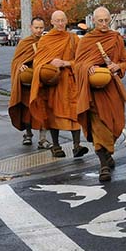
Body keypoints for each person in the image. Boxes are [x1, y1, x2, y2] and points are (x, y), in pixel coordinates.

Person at [75, 7, 126, 182]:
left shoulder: (116, 38)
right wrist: (87, 68)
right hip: (94, 91)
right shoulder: (87, 40)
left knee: (114, 124)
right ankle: (103, 164)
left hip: (112, 87)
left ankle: (107, 154)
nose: (104, 24)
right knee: (98, 124)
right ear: (93, 21)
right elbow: (78, 65)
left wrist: (117, 66)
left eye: (106, 20)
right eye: (100, 21)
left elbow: (124, 61)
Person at [29, 10, 88, 158]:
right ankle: (56, 146)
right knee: (53, 113)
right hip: (54, 83)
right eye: (58, 21)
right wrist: (49, 63)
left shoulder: (74, 39)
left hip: (70, 81)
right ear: (52, 22)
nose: (61, 23)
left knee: (75, 113)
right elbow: (37, 62)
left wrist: (66, 63)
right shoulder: (45, 40)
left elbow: (82, 61)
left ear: (67, 21)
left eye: (63, 20)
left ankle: (76, 145)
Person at [8, 17, 51, 149]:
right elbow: (16, 61)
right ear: (31, 27)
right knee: (27, 110)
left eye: (41, 28)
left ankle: (43, 139)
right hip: (27, 82)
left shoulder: (46, 43)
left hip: (41, 82)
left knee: (43, 110)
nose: (39, 30)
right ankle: (28, 134)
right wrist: (21, 66)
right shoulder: (24, 43)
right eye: (36, 27)